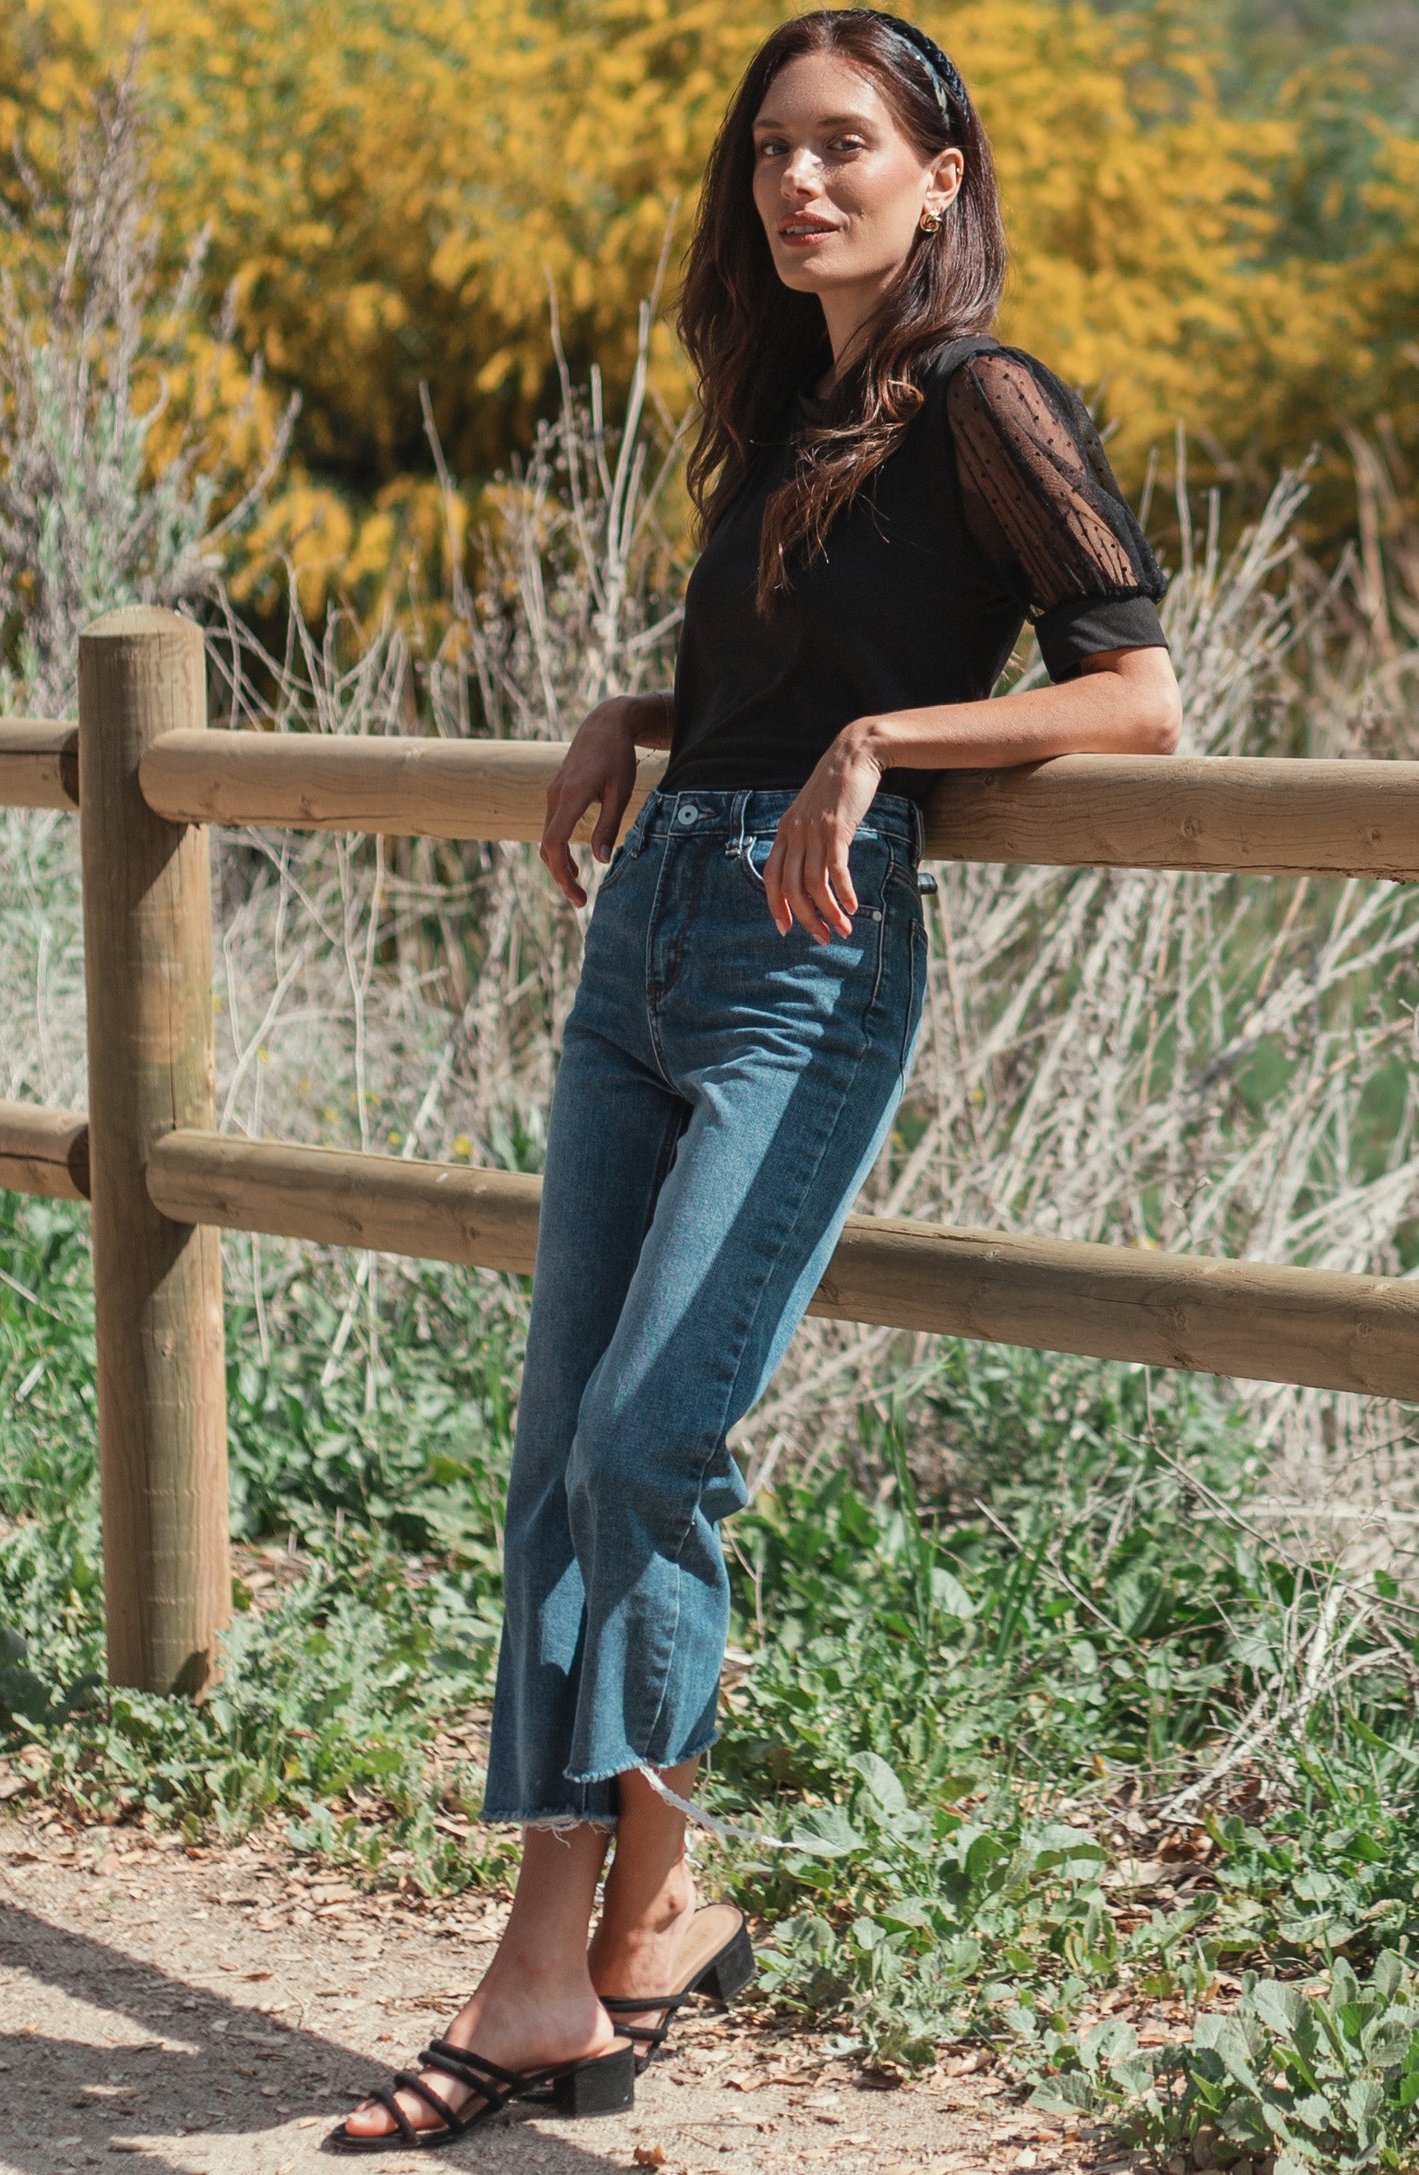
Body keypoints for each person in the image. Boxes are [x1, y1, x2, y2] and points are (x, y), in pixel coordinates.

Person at [332, 6, 1180, 2150]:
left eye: (842, 147)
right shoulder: (785, 409)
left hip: (807, 956)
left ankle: (653, 1885)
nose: (796, 183)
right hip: (652, 930)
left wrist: (888, 743)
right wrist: (641, 703)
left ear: (940, 173)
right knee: (559, 1455)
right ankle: (560, 1963)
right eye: (768, 153)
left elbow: (1137, 697)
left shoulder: (986, 398)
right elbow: (780, 672)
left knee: (646, 1431)